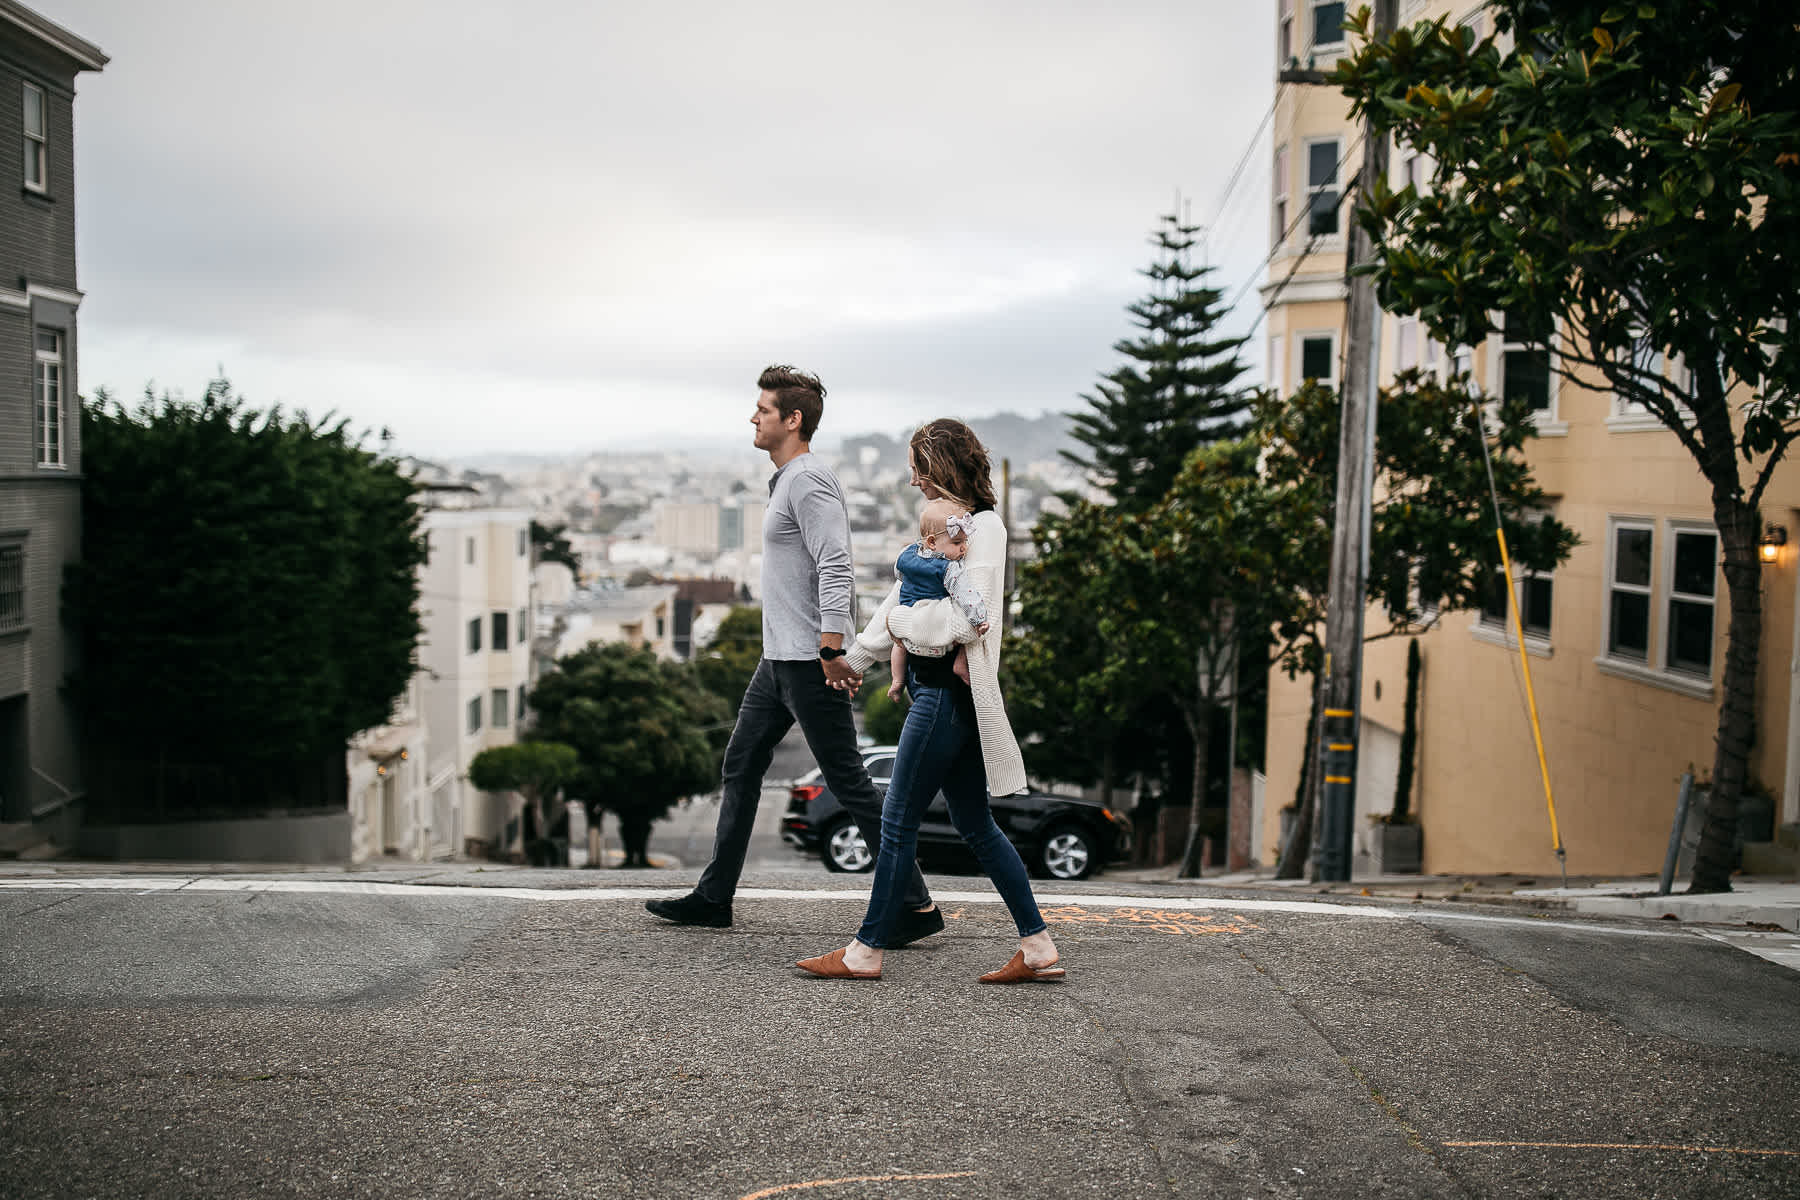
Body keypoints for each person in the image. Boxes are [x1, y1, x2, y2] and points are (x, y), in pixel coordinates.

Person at [646, 365, 942, 944]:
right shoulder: (784, 481)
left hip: (809, 660)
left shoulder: (809, 482)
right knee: (741, 766)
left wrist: (834, 647)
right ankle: (713, 898)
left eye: (763, 409)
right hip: (775, 660)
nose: (752, 417)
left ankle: (918, 904)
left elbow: (837, 566)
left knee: (850, 783)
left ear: (793, 419)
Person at [795, 418, 1063, 984]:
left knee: (896, 821)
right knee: (976, 825)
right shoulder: (938, 534)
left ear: (940, 466)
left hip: (943, 694)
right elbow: (902, 594)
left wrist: (899, 623)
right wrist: (855, 662)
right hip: (936, 691)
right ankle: (1038, 948)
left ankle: (865, 951)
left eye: (919, 466)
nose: (914, 479)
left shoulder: (983, 528)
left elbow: (971, 617)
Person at [886, 497, 989, 705]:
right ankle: (960, 663)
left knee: (898, 647)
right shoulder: (949, 568)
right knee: (964, 636)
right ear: (932, 542)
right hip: (935, 636)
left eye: (965, 542)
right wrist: (979, 619)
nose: (964, 549)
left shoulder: (907, 554)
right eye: (957, 543)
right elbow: (966, 594)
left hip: (907, 621)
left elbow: (898, 572)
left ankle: (897, 680)